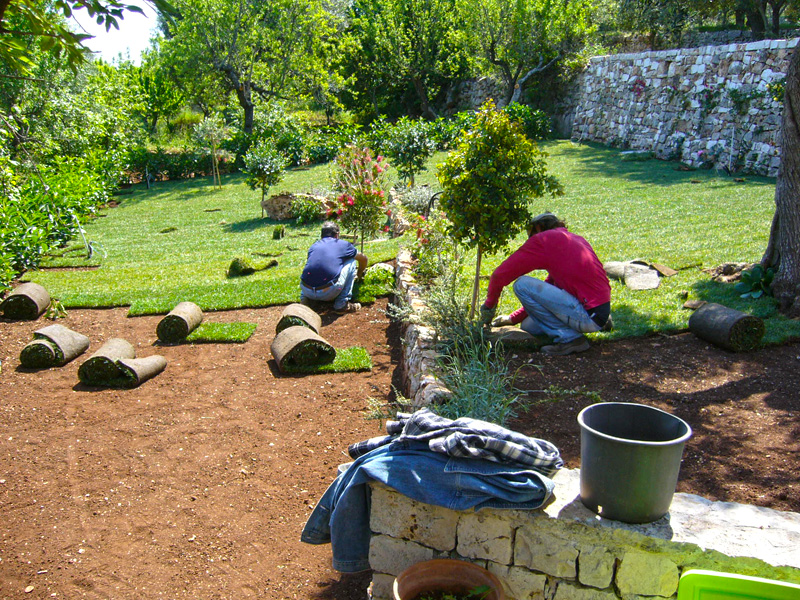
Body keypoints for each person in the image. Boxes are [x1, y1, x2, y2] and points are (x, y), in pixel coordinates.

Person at [479, 212, 612, 355]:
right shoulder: (572, 239)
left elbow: (499, 275)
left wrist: (488, 308)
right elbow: (550, 288)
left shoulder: (544, 240)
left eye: (531, 235)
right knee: (529, 326)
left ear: (539, 227)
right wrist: (512, 319)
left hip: (588, 315)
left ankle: (571, 340)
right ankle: (599, 324)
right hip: (597, 312)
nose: (530, 240)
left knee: (522, 284)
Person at [301, 221, 367, 313]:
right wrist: (359, 274)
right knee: (352, 261)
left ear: (322, 235)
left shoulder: (314, 246)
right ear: (337, 235)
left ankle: (305, 301)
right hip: (329, 292)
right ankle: (342, 304)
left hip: (306, 290)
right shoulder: (344, 245)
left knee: (313, 265)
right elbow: (363, 259)